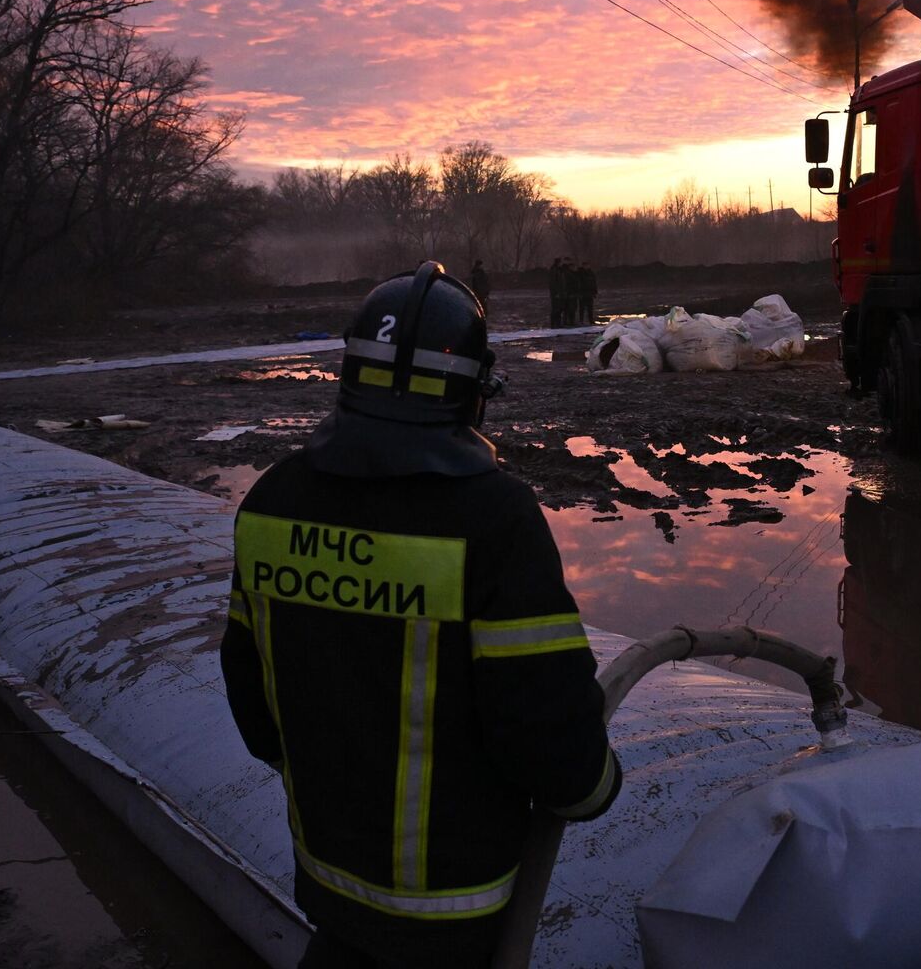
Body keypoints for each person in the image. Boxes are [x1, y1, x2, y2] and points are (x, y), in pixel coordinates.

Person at [222, 262, 621, 969]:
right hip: (455, 910)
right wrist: (593, 788)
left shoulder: (272, 501)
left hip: (326, 883)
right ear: (472, 393)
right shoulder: (494, 519)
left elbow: (250, 694)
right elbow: (541, 717)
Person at [547, 256, 566, 327]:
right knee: (555, 308)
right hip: (556, 293)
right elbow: (553, 283)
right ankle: (554, 323)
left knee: (559, 308)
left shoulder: (559, 270)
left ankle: (558, 323)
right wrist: (556, 292)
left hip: (559, 292)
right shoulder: (554, 270)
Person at [579, 261, 598, 325]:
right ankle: (581, 321)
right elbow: (579, 284)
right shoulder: (580, 273)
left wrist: (595, 292)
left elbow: (594, 283)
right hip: (583, 293)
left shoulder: (591, 273)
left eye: (587, 265)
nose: (586, 266)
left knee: (590, 308)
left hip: (590, 293)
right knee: (582, 308)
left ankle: (591, 320)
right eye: (585, 265)